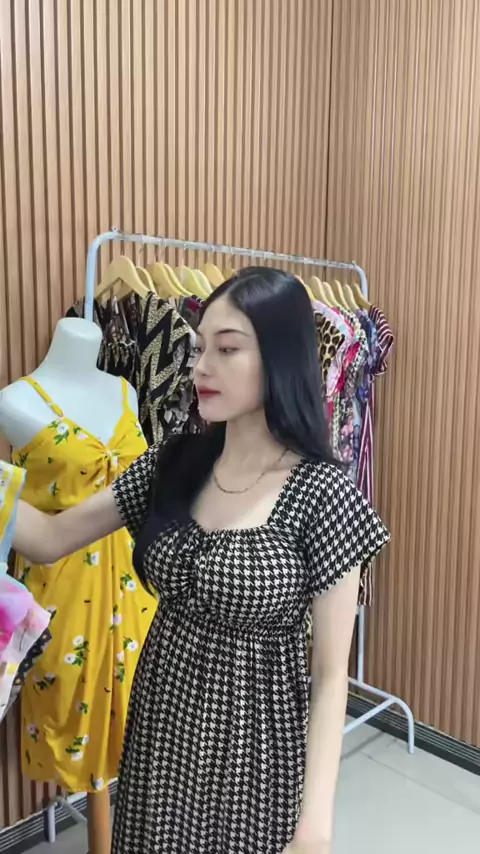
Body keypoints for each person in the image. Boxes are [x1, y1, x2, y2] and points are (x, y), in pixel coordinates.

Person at [12, 267, 390, 854]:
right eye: (199, 348)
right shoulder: (175, 463)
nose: (201, 367)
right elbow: (51, 536)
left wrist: (314, 825)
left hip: (256, 758)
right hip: (160, 739)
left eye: (227, 349)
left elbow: (330, 675)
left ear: (281, 358)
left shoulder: (324, 495)